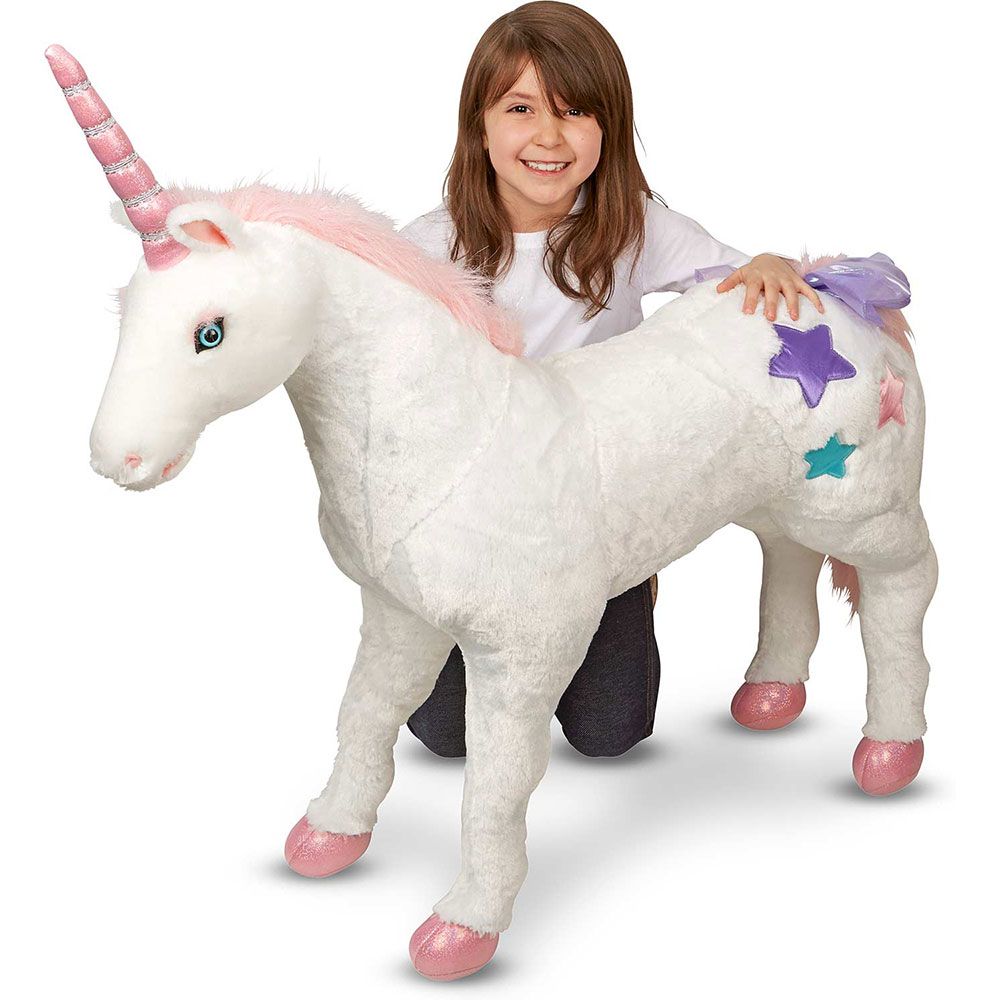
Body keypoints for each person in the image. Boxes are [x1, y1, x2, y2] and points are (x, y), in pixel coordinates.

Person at [398, 1, 822, 759]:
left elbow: (734, 282)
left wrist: (766, 262)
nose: (548, 137)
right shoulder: (432, 246)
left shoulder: (631, 224)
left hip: (597, 510)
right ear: (479, 127)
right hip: (483, 517)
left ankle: (628, 597)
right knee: (444, 735)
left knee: (610, 734)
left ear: (610, 127)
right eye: (521, 109)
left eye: (575, 112)